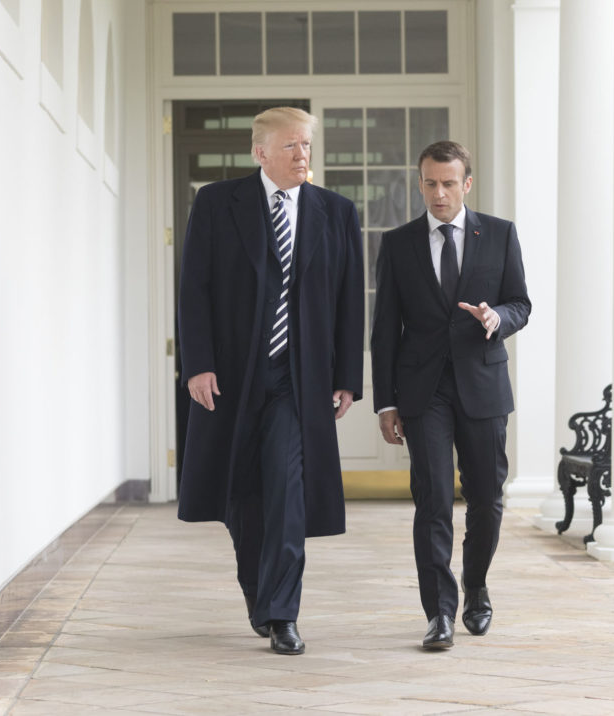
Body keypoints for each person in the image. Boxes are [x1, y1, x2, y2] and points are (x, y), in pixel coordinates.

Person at [177, 107, 363, 655]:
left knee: (286, 488)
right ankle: (259, 591)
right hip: (232, 376)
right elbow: (195, 290)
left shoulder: (336, 211)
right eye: (290, 147)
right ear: (260, 153)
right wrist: (199, 363)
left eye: (306, 146)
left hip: (298, 379)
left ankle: (283, 613)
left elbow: (349, 300)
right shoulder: (217, 203)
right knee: (241, 494)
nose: (302, 155)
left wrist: (347, 377)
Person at [370, 141, 531, 650]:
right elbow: (383, 330)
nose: (438, 193)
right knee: (434, 500)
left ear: (466, 184)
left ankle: (476, 585)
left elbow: (521, 304)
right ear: (420, 183)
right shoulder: (397, 244)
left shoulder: (500, 235)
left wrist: (496, 319)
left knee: (486, 499)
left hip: (482, 385)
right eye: (430, 183)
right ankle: (439, 611)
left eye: (448, 183)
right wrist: (386, 400)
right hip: (424, 393)